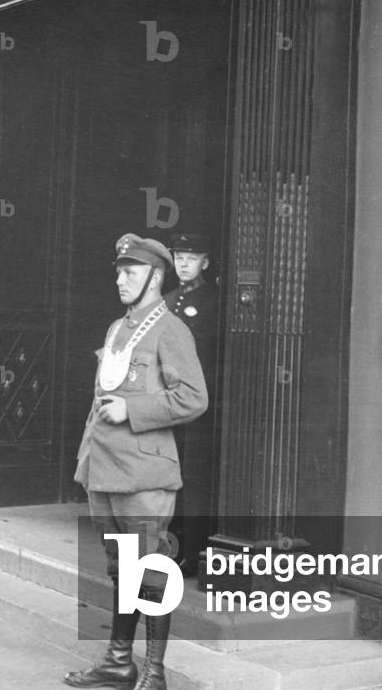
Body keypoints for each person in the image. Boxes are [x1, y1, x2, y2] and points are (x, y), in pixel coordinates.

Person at [66, 234, 208, 690]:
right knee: (119, 567)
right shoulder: (116, 328)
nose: (119, 279)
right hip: (104, 468)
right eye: (119, 271)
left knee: (150, 567)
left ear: (155, 277)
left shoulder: (172, 330)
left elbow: (193, 398)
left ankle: (155, 672)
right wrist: (86, 461)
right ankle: (118, 662)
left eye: (129, 272)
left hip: (144, 473)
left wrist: (134, 410)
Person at [163, 233, 220, 577]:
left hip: (196, 399)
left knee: (194, 476)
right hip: (169, 399)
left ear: (205, 262)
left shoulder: (214, 301)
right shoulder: (166, 300)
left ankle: (194, 549)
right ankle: (171, 547)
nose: (184, 264)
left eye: (191, 258)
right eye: (179, 257)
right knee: (168, 471)